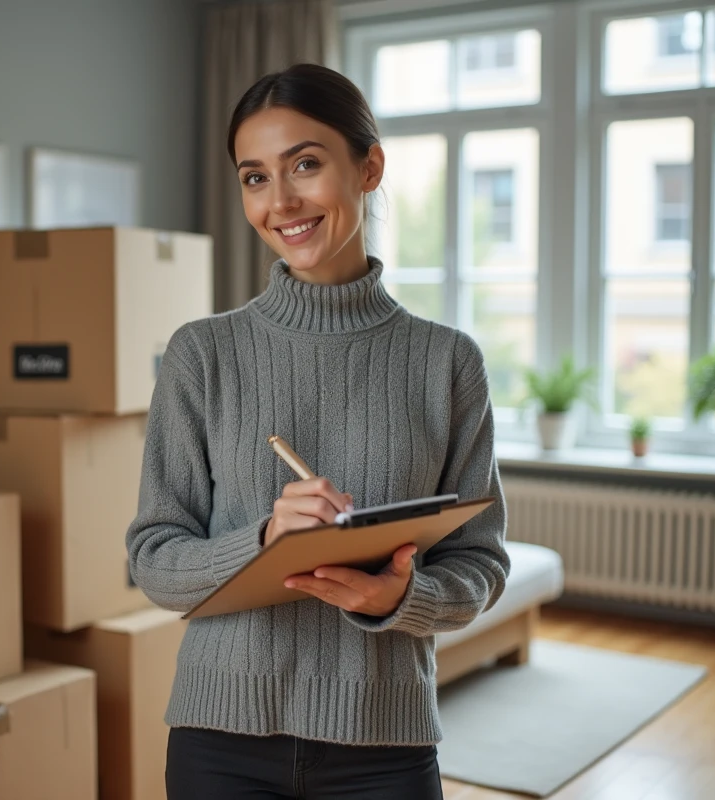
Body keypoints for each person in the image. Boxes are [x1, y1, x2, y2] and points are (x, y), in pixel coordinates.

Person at [126, 62, 510, 799]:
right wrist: (265, 541)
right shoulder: (202, 354)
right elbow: (155, 562)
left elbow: (481, 566)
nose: (281, 202)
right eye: (255, 177)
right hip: (220, 742)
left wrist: (398, 599)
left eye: (305, 164)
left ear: (369, 168)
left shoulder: (447, 362)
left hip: (386, 746)